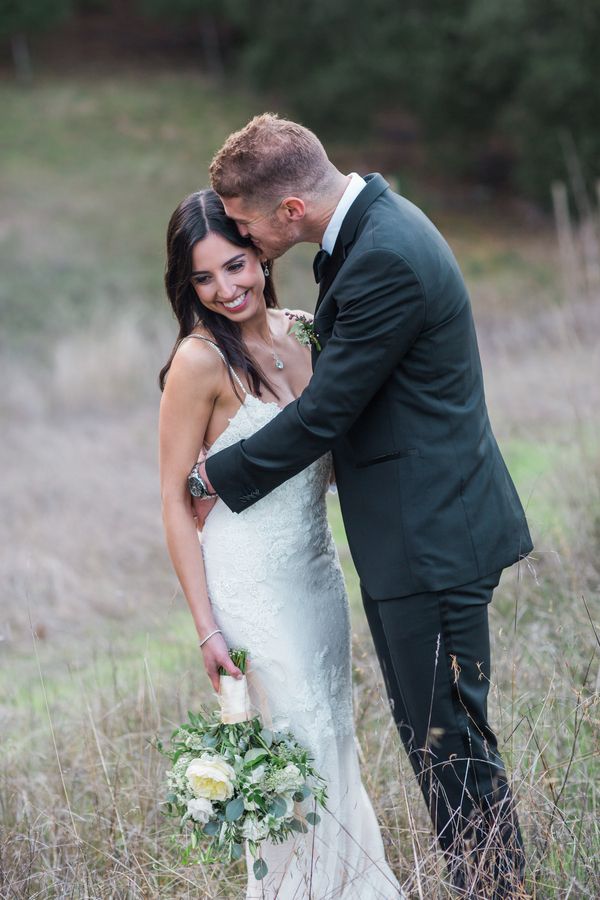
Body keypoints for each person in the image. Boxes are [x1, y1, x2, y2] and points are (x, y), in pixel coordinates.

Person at [192, 114, 534, 898]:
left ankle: (496, 888)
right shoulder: (374, 227)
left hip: (434, 539)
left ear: (289, 212)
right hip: (412, 537)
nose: (241, 241)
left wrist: (213, 478)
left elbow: (326, 414)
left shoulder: (384, 256)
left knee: (450, 742)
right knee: (436, 735)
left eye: (244, 225)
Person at [158, 188, 403, 899]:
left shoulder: (308, 334)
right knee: (291, 770)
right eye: (204, 278)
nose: (226, 289)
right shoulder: (199, 362)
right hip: (249, 594)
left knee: (331, 749)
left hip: (317, 580)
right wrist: (206, 627)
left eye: (235, 266)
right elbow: (174, 503)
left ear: (262, 256)